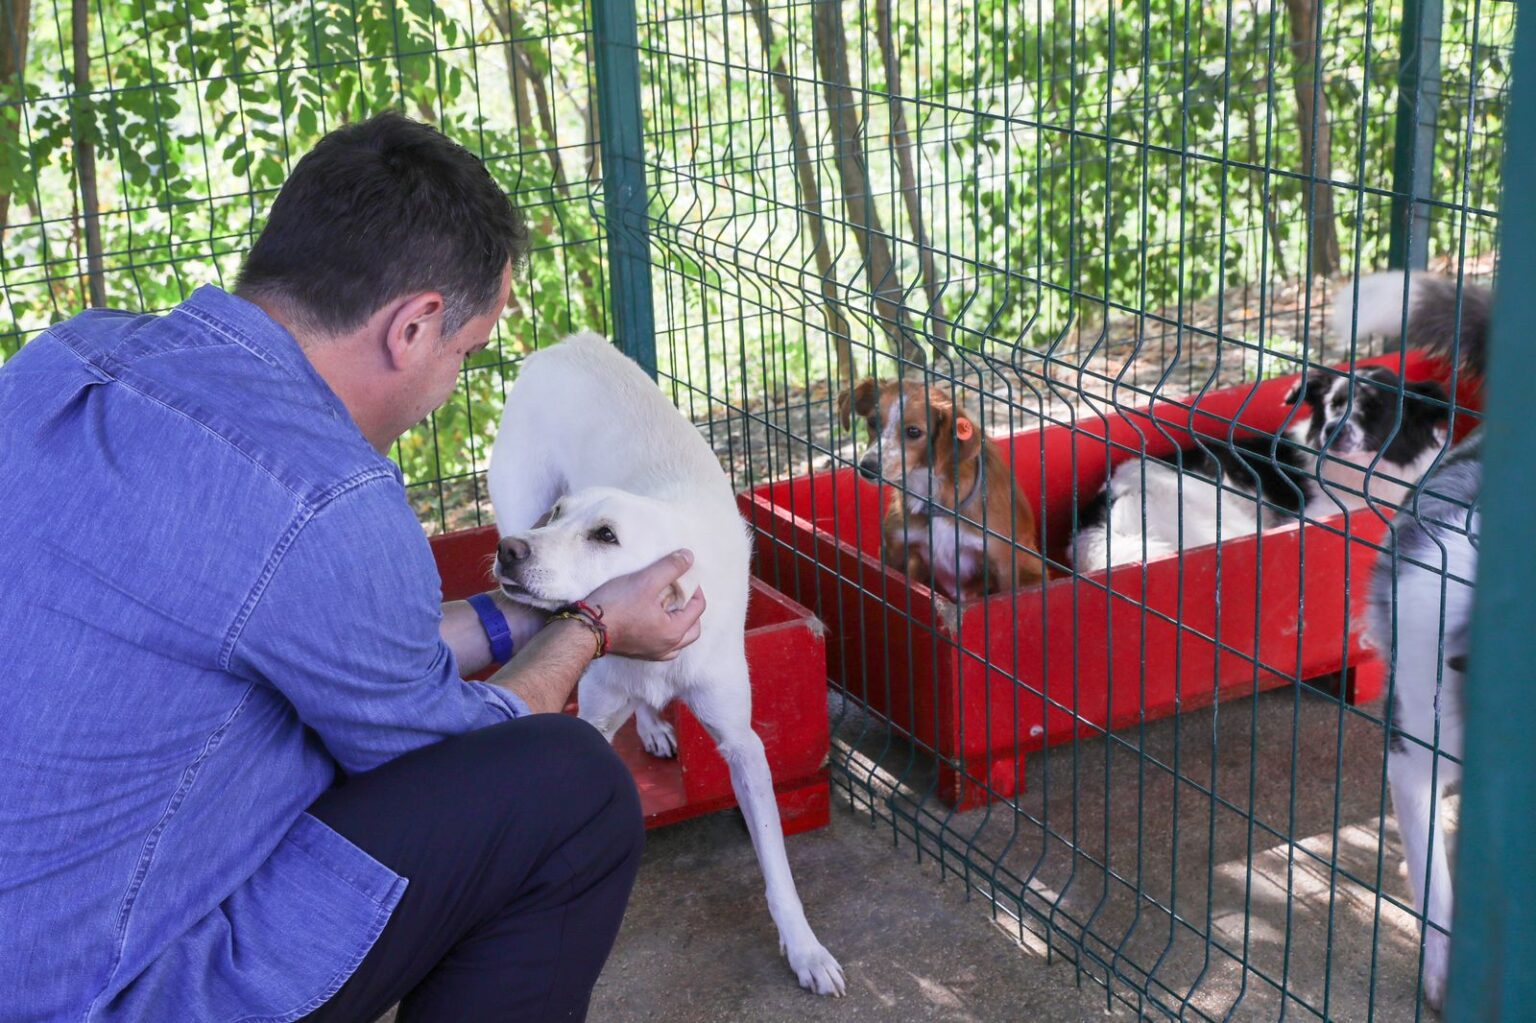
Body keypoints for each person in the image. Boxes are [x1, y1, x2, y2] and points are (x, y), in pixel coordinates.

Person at [0, 111, 705, 1022]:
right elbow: (460, 756)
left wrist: (525, 611)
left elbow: (355, 650)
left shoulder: (63, 358)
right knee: (568, 787)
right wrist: (594, 629)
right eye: (464, 351)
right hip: (95, 993)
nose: (452, 379)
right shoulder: (326, 496)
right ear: (412, 327)